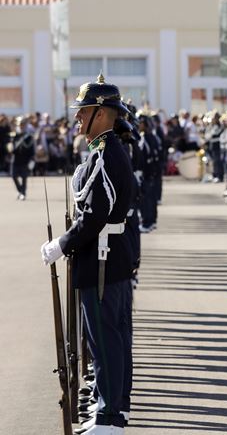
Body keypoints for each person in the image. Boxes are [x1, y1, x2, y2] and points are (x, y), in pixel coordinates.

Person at [40, 74, 136, 435]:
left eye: (83, 112)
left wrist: (62, 243)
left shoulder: (106, 155)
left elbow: (95, 216)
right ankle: (112, 409)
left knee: (106, 339)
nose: (78, 118)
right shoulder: (103, 152)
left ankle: (111, 417)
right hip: (106, 258)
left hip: (102, 261)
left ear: (100, 113)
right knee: (112, 337)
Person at [9, 116, 35, 200]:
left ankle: (23, 193)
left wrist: (32, 158)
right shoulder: (14, 135)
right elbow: (11, 146)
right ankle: (20, 190)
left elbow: (31, 149)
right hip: (15, 159)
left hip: (25, 160)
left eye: (23, 125)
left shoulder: (29, 136)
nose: (21, 126)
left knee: (24, 177)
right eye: (20, 125)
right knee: (13, 176)